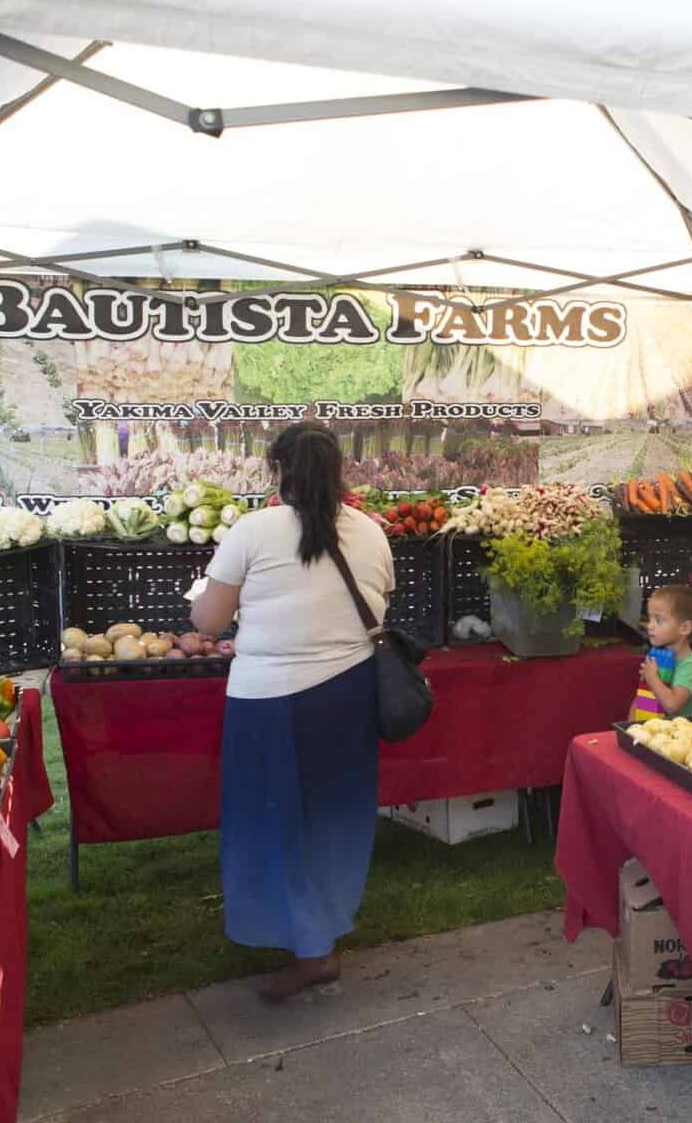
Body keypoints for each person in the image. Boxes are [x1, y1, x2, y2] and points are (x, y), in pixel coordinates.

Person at [189, 422, 396, 1001]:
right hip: (349, 694)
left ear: (279, 470)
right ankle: (320, 933)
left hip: (269, 701)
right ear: (338, 472)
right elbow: (376, 602)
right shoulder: (372, 532)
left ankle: (310, 948)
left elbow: (207, 622)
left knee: (273, 816)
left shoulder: (253, 530)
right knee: (334, 814)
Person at [629, 585, 692, 720]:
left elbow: (672, 705)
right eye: (650, 618)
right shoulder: (655, 656)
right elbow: (642, 698)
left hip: (679, 736)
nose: (649, 625)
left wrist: (652, 678)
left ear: (684, 628)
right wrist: (630, 727)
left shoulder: (690, 666)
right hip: (651, 733)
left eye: (658, 620)